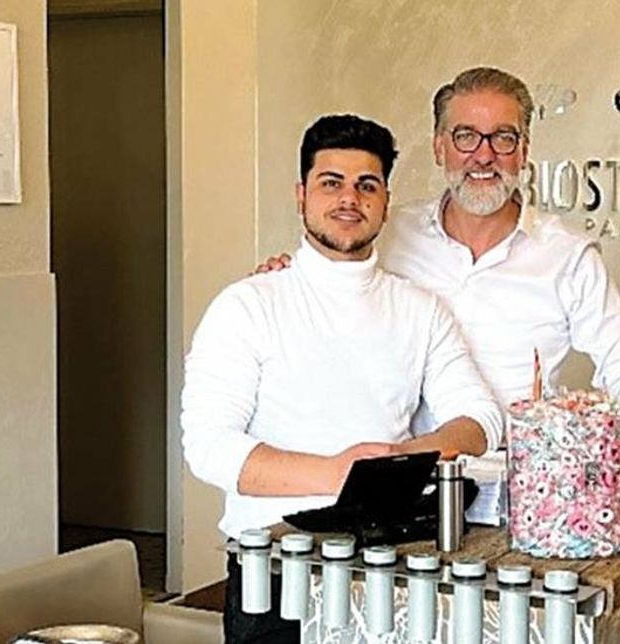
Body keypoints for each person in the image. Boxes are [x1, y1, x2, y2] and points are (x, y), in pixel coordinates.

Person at [182, 114, 503, 643]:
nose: (349, 199)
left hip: (392, 568)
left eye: (366, 185)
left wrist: (397, 464)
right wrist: (340, 472)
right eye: (331, 183)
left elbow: (480, 418)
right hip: (274, 571)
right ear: (301, 194)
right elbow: (208, 448)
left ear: (385, 201)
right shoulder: (247, 306)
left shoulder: (420, 309)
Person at [258, 67, 620, 463]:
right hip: (405, 476)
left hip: (524, 478)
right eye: (466, 137)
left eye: (503, 138)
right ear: (439, 147)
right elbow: (329, 271)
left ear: (524, 151)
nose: (484, 155)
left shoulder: (568, 256)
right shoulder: (389, 233)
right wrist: (285, 278)